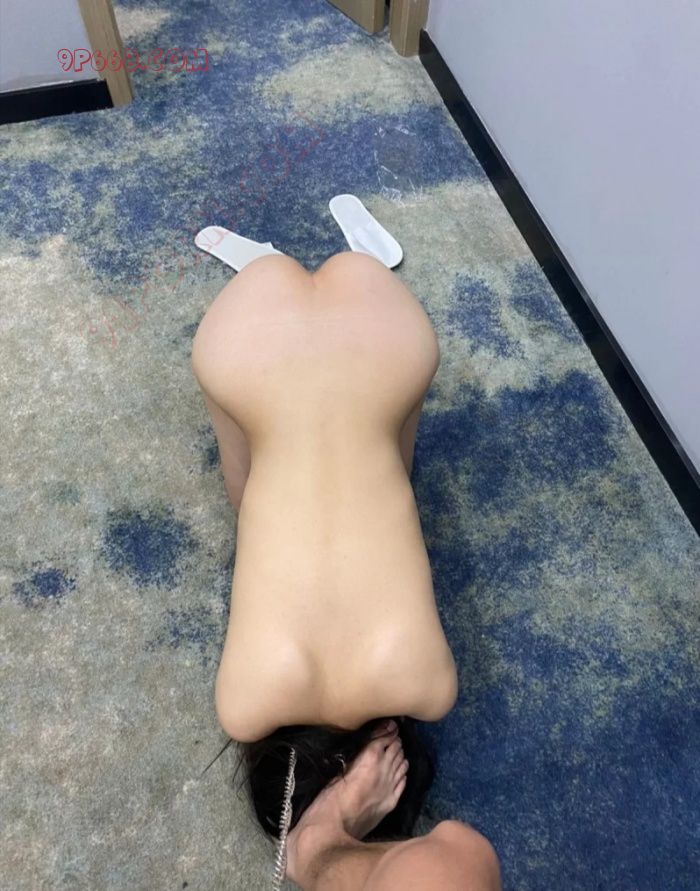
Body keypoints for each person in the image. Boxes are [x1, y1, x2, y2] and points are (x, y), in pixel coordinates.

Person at [191, 248, 502, 890]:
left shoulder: (428, 684)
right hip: (243, 339)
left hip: (391, 337)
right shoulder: (244, 704)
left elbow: (455, 853)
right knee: (250, 497)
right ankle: (285, 283)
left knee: (390, 460)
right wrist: (316, 836)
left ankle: (336, 291)